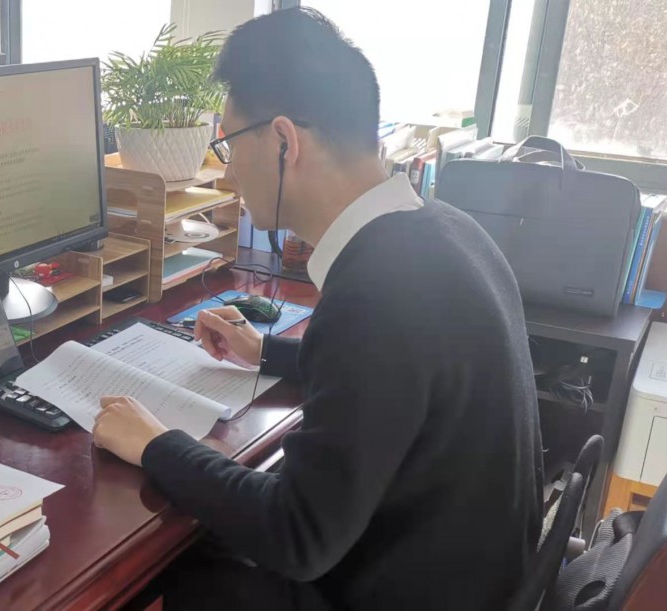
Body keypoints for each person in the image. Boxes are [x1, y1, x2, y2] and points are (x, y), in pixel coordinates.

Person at [91, 8, 543, 610]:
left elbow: (298, 537)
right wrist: (269, 352)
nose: (229, 170)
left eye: (228, 144)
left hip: (409, 589)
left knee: (187, 565)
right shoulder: (447, 232)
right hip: (467, 574)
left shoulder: (378, 293)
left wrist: (155, 443)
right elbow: (397, 382)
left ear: (284, 142)